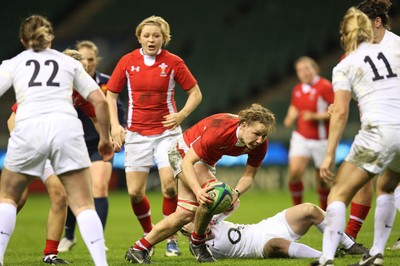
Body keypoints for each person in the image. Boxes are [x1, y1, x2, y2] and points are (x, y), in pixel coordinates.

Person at [0, 15, 113, 265]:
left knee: (9, 195)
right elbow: (100, 101)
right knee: (82, 201)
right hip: (64, 132)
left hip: (31, 131)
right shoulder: (68, 65)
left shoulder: (15, 63)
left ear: (22, 39)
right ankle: (101, 262)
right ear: (51, 37)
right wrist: (106, 138)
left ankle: (49, 253)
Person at [124, 103, 276, 264]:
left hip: (204, 162)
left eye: (264, 136)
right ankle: (198, 241)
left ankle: (139, 249)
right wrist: (198, 191)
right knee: (216, 195)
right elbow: (187, 162)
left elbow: (249, 177)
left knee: (187, 213)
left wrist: (236, 192)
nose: (260, 140)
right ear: (244, 125)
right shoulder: (220, 130)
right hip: (182, 152)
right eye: (257, 134)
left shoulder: (259, 145)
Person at [106, 15, 202, 257]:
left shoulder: (173, 62)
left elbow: (195, 93)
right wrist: (115, 125)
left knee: (170, 187)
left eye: (156, 35)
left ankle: (171, 239)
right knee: (135, 193)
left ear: (164, 39)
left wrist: (181, 115)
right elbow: (111, 94)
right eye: (146, 35)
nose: (151, 39)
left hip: (167, 134)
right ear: (139, 37)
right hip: (136, 134)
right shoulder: (127, 61)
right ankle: (151, 235)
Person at [311, 7, 400, 266]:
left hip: (377, 132)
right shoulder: (394, 51)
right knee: (386, 187)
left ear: (344, 34)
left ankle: (326, 258)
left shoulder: (345, 64)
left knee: (338, 192)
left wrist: (328, 155)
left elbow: (339, 113)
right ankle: (376, 253)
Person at [3, 48, 91, 265]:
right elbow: (11, 119)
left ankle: (50, 254)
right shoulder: (39, 88)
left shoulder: (79, 92)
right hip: (29, 146)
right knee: (17, 200)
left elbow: (97, 114)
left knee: (60, 195)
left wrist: (111, 135)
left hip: (52, 150)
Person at [58, 40, 127, 253]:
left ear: (96, 60)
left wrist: (118, 130)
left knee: (99, 186)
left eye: (90, 59)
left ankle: (97, 239)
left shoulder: (106, 84)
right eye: (83, 59)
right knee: (70, 192)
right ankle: (69, 235)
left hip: (100, 143)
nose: (86, 63)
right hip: (72, 145)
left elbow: (118, 108)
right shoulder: (62, 85)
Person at [343, 0, 400, 250]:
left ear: (378, 22)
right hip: (373, 125)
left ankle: (348, 240)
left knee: (385, 183)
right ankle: (350, 237)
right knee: (368, 179)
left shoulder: (396, 46)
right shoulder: (357, 51)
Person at [181, 202, 358, 260]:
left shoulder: (212, 221)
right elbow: (206, 242)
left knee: (310, 209)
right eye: (187, 222)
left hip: (265, 226)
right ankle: (326, 255)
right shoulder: (199, 247)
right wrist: (194, 233)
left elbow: (234, 205)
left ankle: (349, 245)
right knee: (276, 244)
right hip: (259, 247)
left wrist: (228, 197)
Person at [283, 56, 333, 211]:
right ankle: (297, 210)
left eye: (306, 68)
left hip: (322, 139)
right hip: (301, 137)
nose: (303, 73)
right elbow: (295, 107)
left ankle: (325, 212)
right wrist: (289, 117)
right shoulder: (298, 89)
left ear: (315, 69)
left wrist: (315, 116)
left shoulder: (325, 86)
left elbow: (336, 110)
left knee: (323, 180)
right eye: (300, 70)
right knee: (295, 173)